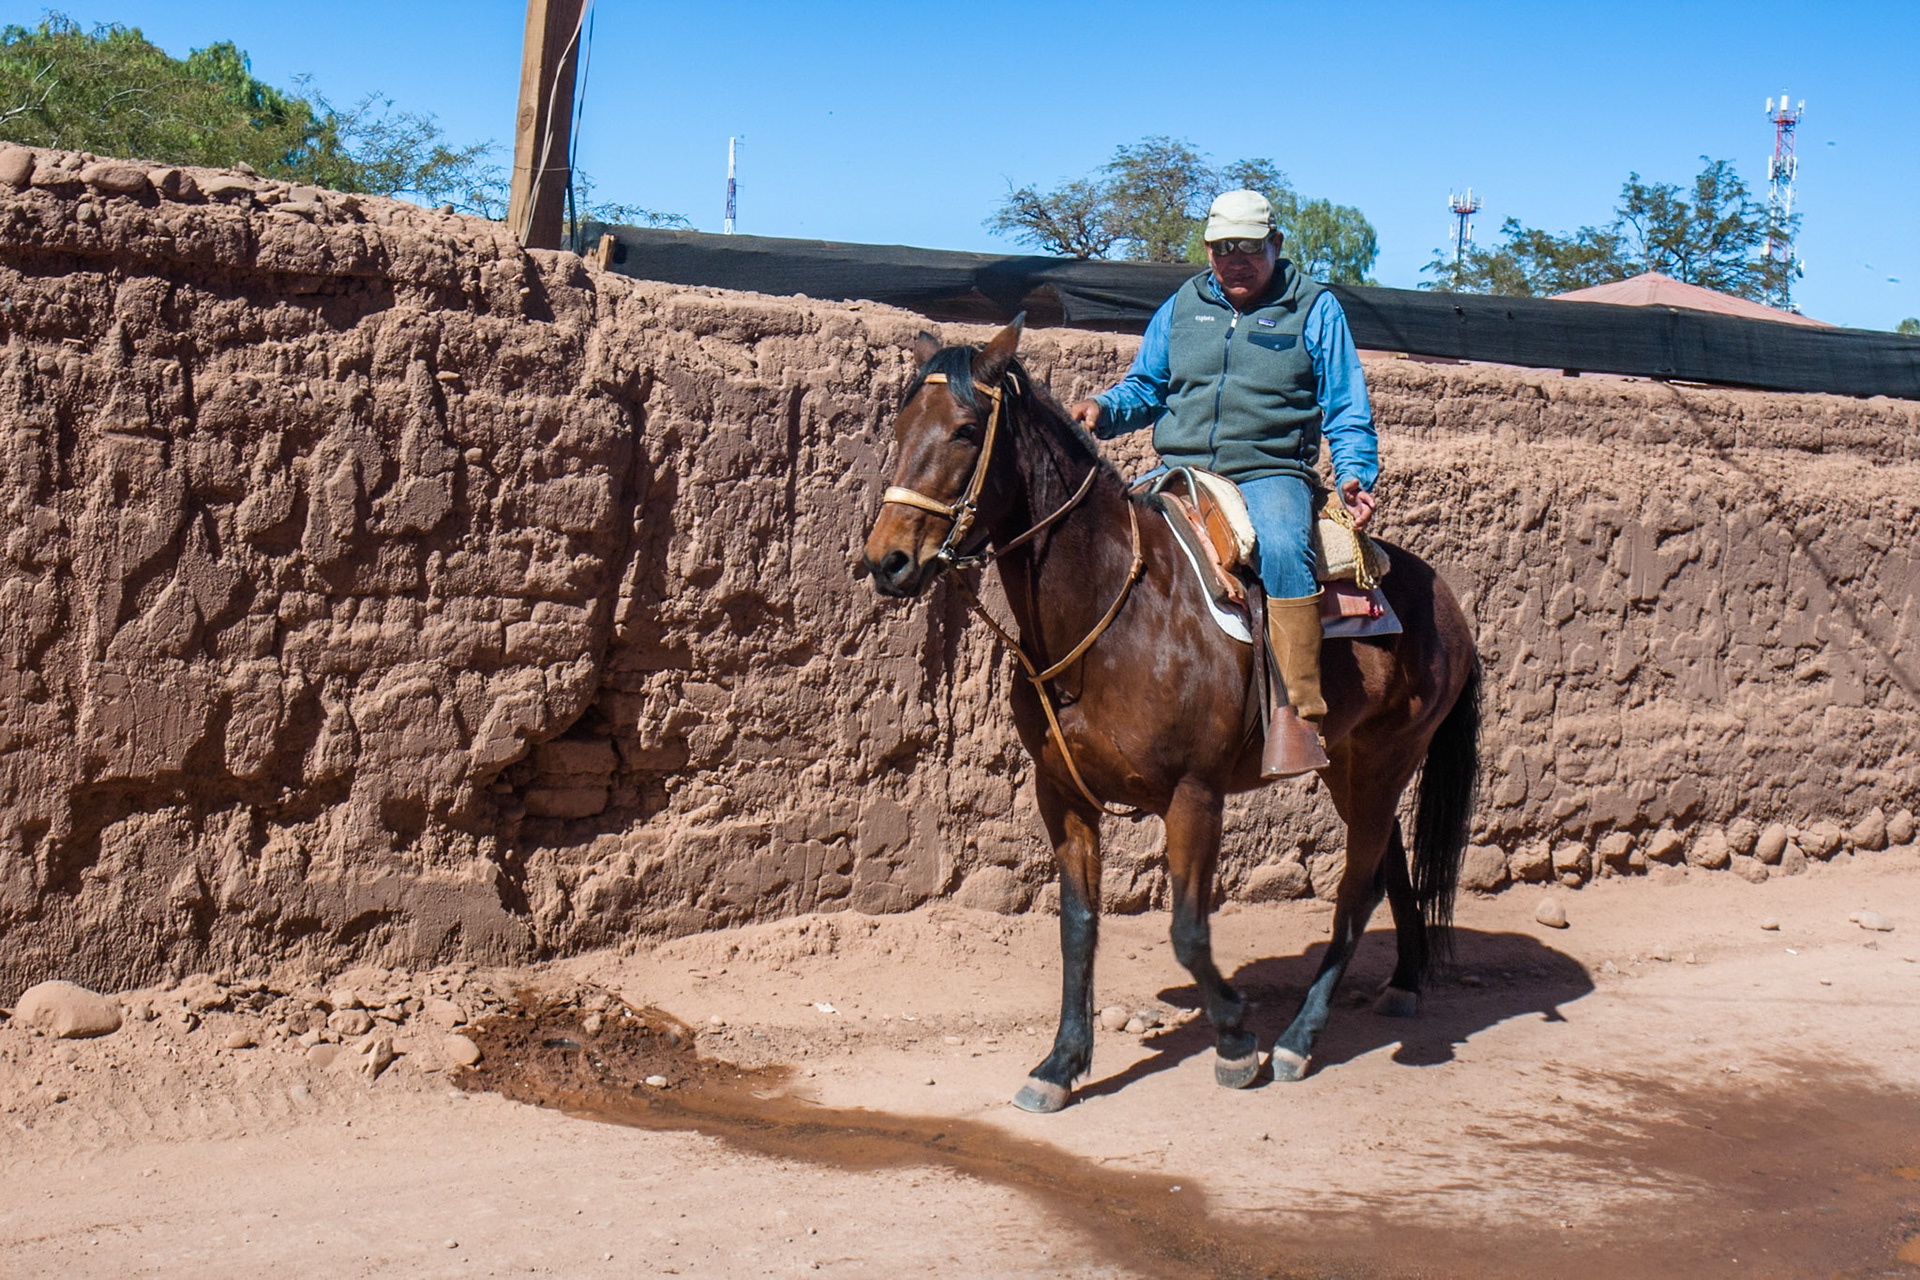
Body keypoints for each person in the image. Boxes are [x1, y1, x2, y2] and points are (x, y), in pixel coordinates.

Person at [1068, 189, 1379, 778]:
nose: (1235, 260)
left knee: (1284, 548)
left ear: (1276, 244)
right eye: (1222, 248)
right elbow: (1147, 386)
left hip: (1270, 470)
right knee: (1111, 537)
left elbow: (1346, 405)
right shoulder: (1183, 305)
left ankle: (1298, 713)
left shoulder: (1314, 308)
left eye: (1250, 248)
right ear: (1208, 249)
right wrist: (1104, 408)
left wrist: (1355, 473)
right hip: (1179, 468)